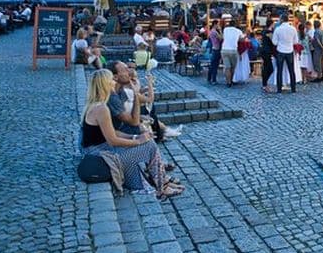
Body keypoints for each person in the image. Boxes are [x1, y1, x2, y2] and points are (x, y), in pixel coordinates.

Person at [81, 69, 183, 198]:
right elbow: (113, 140)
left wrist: (134, 137)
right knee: (149, 146)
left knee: (142, 144)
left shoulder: (95, 104)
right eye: (111, 79)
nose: (114, 82)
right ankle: (162, 185)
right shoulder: (101, 109)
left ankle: (155, 181)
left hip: (99, 150)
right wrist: (138, 141)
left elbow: (113, 132)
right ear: (105, 84)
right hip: (100, 155)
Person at [272, 13, 299, 93]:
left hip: (280, 51)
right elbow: (296, 41)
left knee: (279, 71)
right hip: (289, 51)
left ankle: (279, 89)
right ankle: (293, 88)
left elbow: (274, 42)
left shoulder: (278, 29)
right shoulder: (293, 29)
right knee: (291, 70)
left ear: (282, 20)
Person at [221, 19, 243, 87]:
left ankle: (228, 82)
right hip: (233, 50)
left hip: (224, 50)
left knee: (227, 67)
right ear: (236, 25)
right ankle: (231, 80)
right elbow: (241, 40)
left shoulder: (225, 30)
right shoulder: (239, 31)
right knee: (233, 68)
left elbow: (223, 37)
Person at [259, 20, 276, 93]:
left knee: (266, 68)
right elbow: (273, 41)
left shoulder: (263, 31)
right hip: (267, 52)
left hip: (263, 51)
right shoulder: (269, 32)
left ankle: (264, 83)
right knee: (269, 69)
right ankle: (265, 84)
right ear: (271, 24)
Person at [207, 21, 222, 85]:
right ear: (215, 24)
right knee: (215, 65)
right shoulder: (215, 32)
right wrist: (220, 30)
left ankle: (209, 78)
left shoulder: (210, 32)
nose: (218, 26)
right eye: (218, 25)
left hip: (213, 48)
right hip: (217, 49)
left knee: (212, 65)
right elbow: (221, 38)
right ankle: (214, 80)